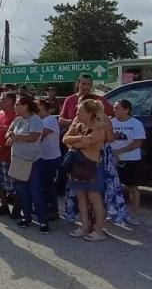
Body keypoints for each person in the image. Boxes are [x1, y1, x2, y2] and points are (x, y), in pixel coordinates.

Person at [63, 99, 107, 242]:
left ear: (90, 114)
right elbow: (65, 139)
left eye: (81, 111)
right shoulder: (78, 125)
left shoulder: (99, 128)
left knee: (94, 198)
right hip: (78, 165)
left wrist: (75, 141)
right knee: (80, 196)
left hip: (92, 166)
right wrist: (79, 137)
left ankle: (99, 230)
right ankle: (84, 226)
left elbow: (87, 142)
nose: (77, 113)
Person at [7, 96, 49, 233]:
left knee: (35, 191)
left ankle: (43, 221)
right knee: (22, 191)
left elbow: (33, 137)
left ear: (25, 106)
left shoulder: (35, 119)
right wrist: (10, 135)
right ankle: (27, 217)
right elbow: (9, 132)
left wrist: (17, 137)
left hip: (34, 161)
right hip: (19, 161)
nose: (15, 106)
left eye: (17, 104)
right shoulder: (17, 120)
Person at [112, 99, 146, 221]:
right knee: (114, 187)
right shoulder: (111, 122)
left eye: (118, 108)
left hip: (131, 160)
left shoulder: (136, 124)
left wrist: (119, 151)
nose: (114, 110)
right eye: (114, 108)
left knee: (132, 187)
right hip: (114, 160)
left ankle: (134, 213)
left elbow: (138, 143)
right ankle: (115, 211)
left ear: (126, 110)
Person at [0, 92, 17, 216]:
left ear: (11, 101)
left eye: (2, 100)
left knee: (12, 185)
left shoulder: (16, 116)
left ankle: (17, 209)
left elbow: (14, 138)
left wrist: (1, 148)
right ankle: (4, 205)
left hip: (9, 157)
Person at [37, 99, 62, 220]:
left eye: (38, 106)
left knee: (49, 185)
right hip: (41, 157)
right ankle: (45, 208)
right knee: (42, 184)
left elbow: (40, 135)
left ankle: (53, 210)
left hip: (51, 158)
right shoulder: (39, 120)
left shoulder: (50, 120)